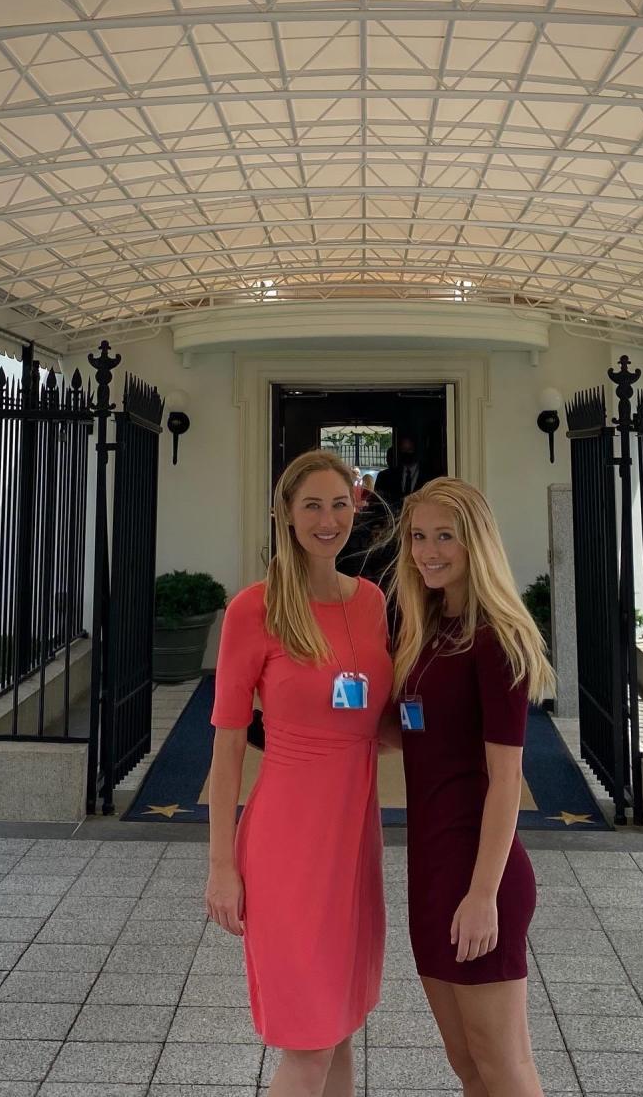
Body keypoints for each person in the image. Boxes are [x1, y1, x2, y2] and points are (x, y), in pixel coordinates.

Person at [206, 449, 393, 1097]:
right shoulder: (252, 610)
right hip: (287, 844)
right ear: (286, 513)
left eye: (340, 503)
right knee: (308, 1044)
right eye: (312, 504)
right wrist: (221, 867)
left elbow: (375, 723)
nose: (327, 518)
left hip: (353, 842)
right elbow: (227, 749)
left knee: (339, 1026)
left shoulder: (370, 601)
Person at [391, 477, 555, 1097]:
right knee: (468, 1067)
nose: (428, 551)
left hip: (478, 875)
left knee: (504, 1066)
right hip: (431, 869)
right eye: (418, 536)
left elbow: (507, 778)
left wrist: (483, 893)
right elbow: (413, 734)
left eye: (444, 537)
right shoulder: (429, 631)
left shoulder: (496, 640)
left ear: (476, 544)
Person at [374, 435, 432, 506]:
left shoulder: (429, 476)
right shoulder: (385, 476)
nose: (406, 453)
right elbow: (377, 502)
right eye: (403, 449)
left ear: (416, 451)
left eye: (410, 449)